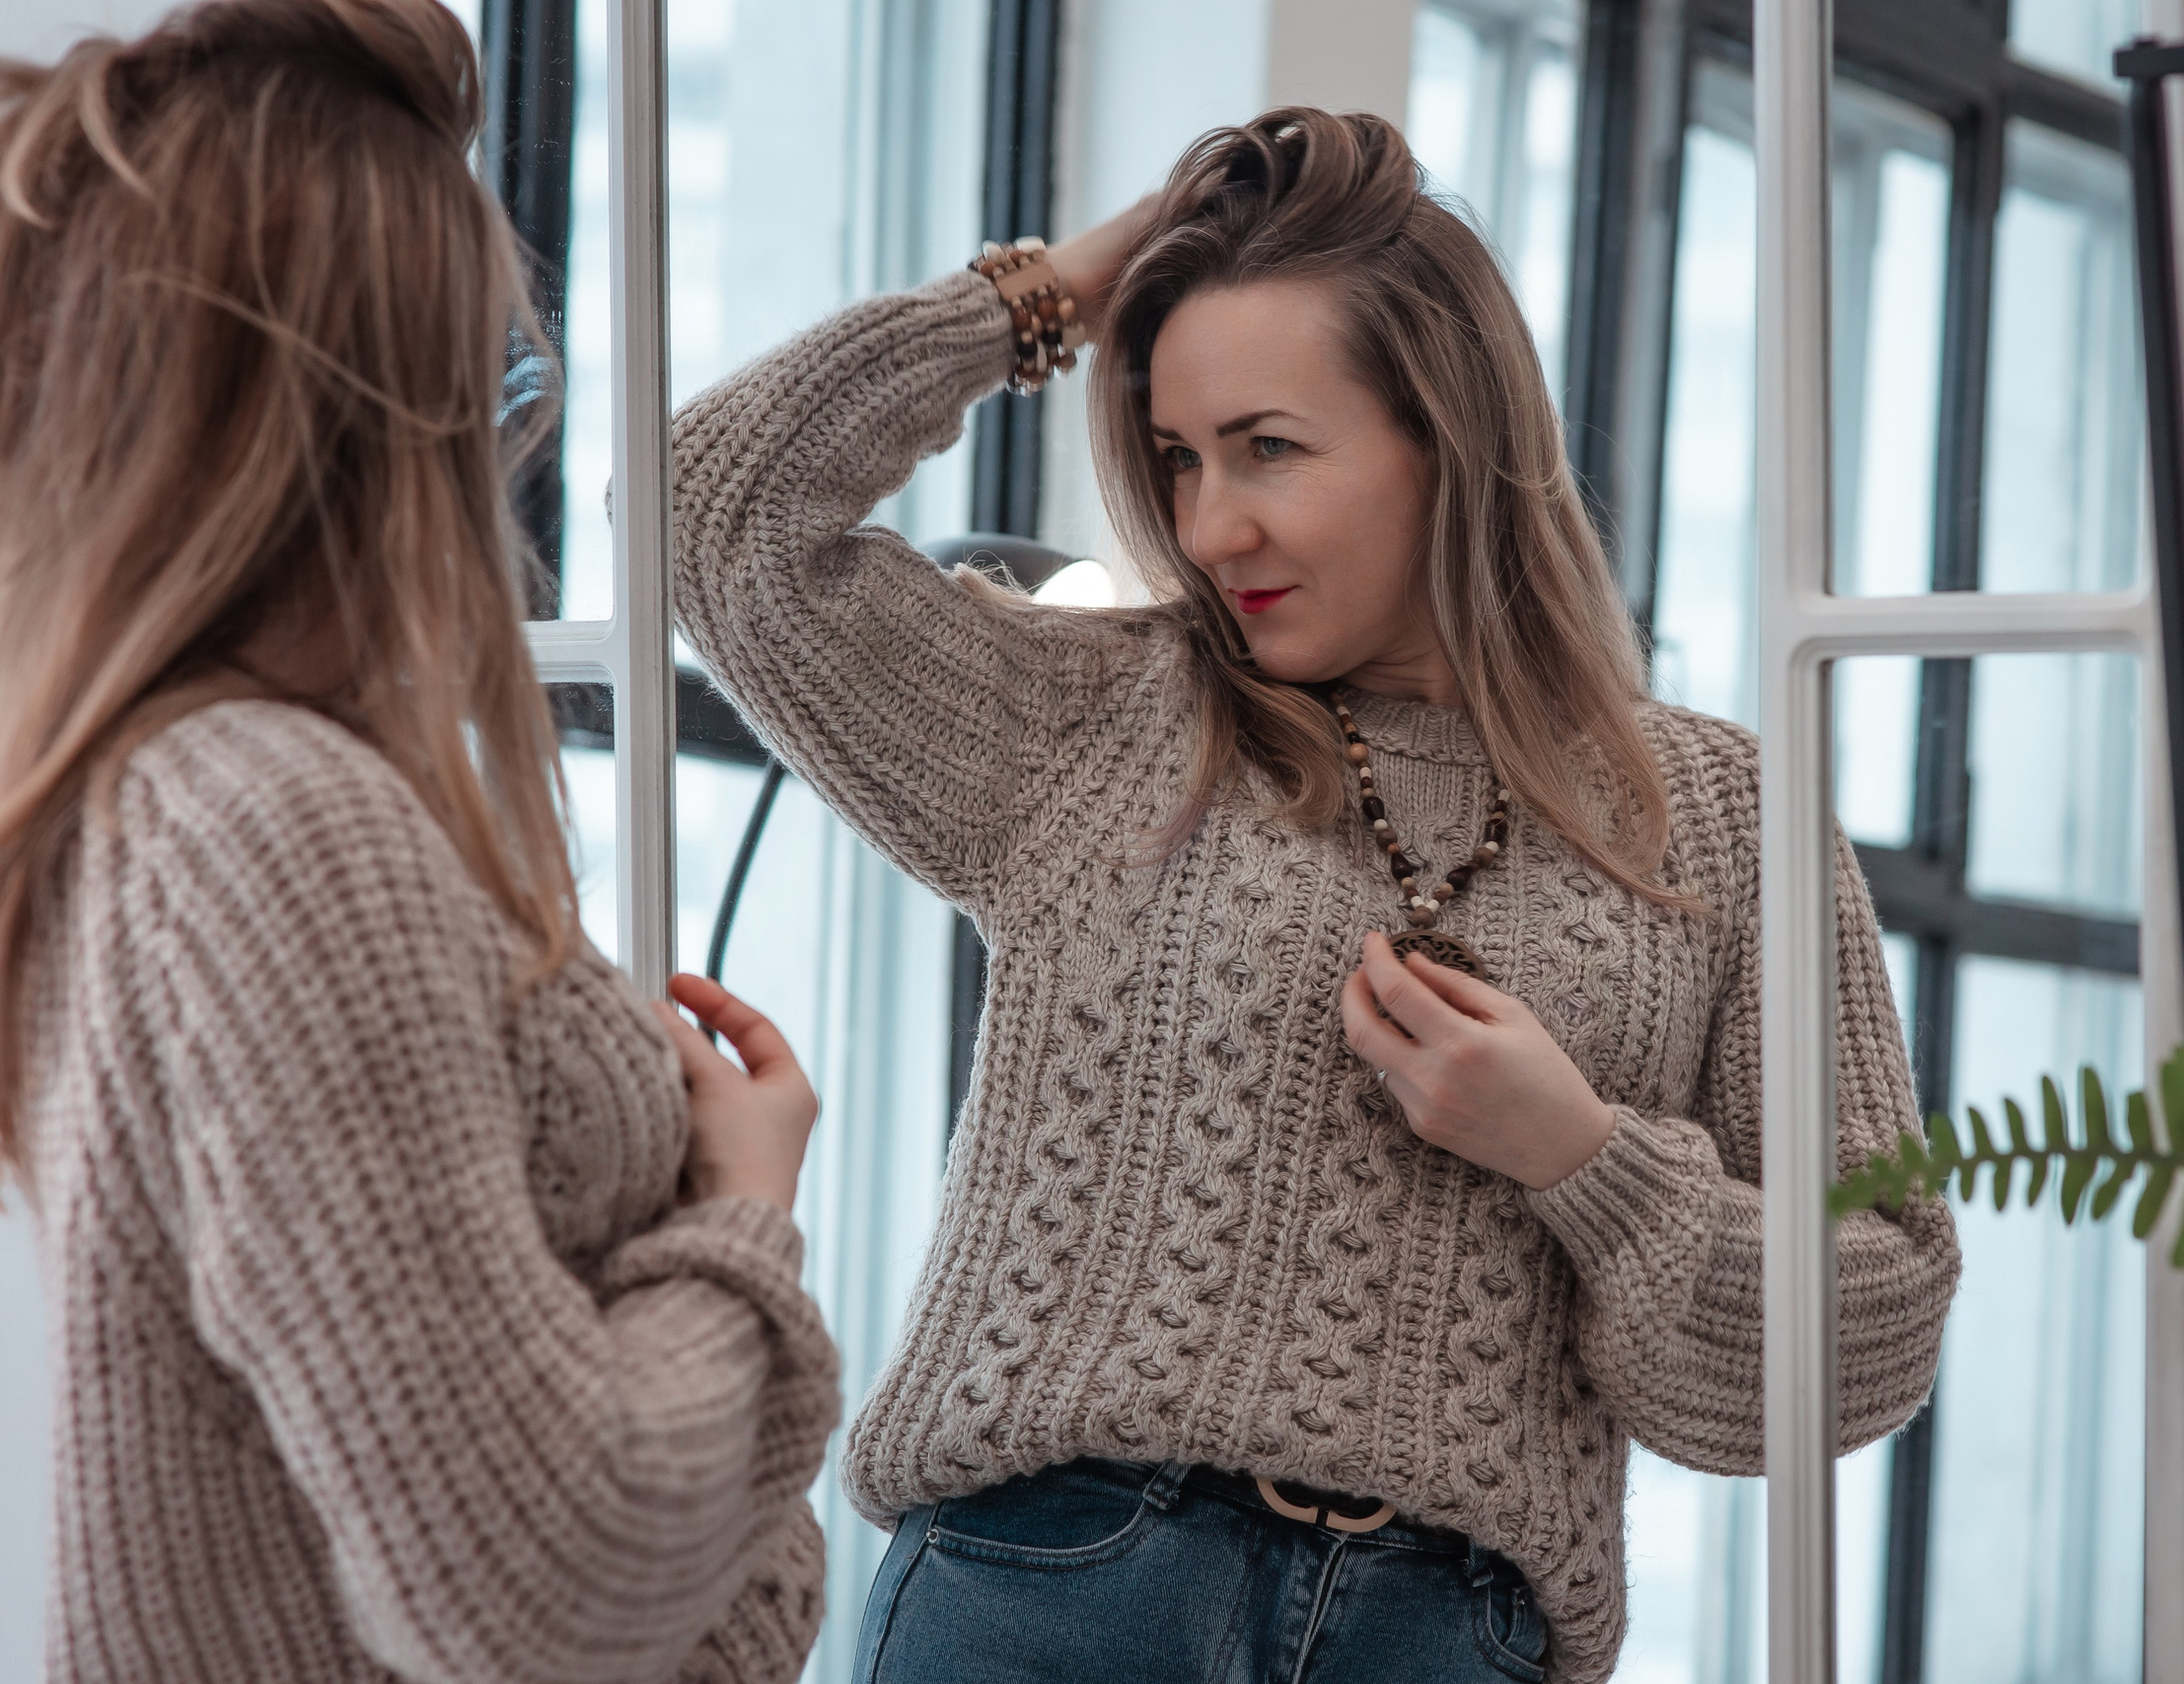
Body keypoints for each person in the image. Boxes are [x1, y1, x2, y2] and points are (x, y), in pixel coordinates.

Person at [673, 109, 1961, 1683]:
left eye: (1269, 448)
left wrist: (1580, 1157)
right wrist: (1054, 290)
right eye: (1179, 457)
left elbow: (1872, 1332)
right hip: (1054, 1591)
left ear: (1450, 440)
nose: (1211, 528)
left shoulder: (1726, 818)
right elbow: (711, 514)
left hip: (1447, 1633)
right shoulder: (1097, 722)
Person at [0, 2, 840, 1679]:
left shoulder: (207, 792)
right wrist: (747, 1214)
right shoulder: (273, 824)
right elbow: (530, 1582)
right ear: (377, 417)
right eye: (493, 380)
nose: (505, 441)